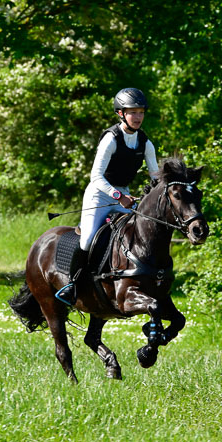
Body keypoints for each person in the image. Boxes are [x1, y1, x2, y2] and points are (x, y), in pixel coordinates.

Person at [55, 87, 159, 305]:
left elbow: (155, 178)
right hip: (99, 195)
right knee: (87, 240)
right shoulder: (111, 139)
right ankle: (72, 285)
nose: (138, 117)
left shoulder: (146, 143)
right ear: (121, 113)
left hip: (125, 196)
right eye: (133, 112)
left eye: (141, 112)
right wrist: (117, 195)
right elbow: (96, 176)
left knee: (142, 232)